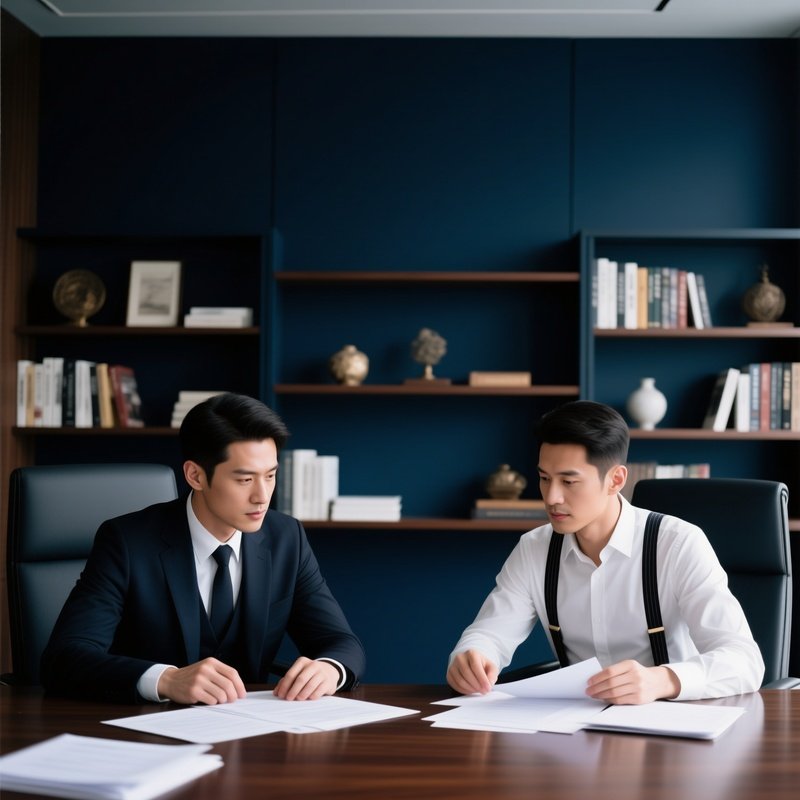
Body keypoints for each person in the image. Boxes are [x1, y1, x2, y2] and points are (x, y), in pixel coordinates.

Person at [42, 393, 365, 705]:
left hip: (252, 733)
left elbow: (341, 643)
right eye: (244, 480)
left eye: (270, 475)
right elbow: (65, 658)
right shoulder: (126, 541)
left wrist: (329, 669)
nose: (262, 496)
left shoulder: (286, 537)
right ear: (195, 475)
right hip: (149, 730)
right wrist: (165, 680)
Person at [447, 400, 764, 704]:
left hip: (675, 726)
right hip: (576, 728)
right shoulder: (534, 549)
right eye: (544, 479)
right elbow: (491, 632)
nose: (552, 497)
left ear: (615, 479)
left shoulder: (679, 544)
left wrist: (662, 680)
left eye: (569, 481)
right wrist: (473, 657)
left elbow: (744, 661)